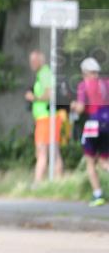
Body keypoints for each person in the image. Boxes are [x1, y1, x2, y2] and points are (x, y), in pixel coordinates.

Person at [71, 57, 109, 206]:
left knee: (90, 160)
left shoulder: (83, 85)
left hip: (94, 124)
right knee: (104, 161)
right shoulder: (106, 84)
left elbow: (80, 108)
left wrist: (74, 105)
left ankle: (97, 194)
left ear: (85, 72)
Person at [25, 50, 63, 182]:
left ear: (41, 60)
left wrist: (33, 98)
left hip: (47, 118)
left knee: (44, 151)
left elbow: (49, 94)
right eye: (31, 60)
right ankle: (54, 183)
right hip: (44, 118)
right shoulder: (42, 73)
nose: (32, 63)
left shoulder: (45, 73)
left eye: (34, 60)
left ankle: (38, 183)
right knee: (50, 151)